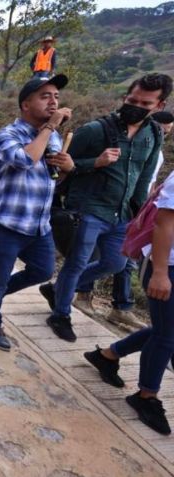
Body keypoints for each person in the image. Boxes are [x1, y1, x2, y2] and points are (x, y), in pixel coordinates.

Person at [40, 73, 170, 342]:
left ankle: (60, 288)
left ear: (159, 106)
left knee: (114, 261)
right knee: (76, 263)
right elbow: (61, 165)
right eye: (132, 100)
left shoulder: (154, 134)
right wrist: (94, 163)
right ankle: (60, 314)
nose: (135, 106)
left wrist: (139, 210)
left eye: (145, 104)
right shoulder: (95, 130)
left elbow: (144, 174)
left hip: (123, 213)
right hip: (89, 208)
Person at [0, 75, 73, 352]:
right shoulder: (9, 135)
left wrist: (68, 167)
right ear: (25, 104)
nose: (53, 102)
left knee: (43, 270)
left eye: (56, 96)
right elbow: (24, 160)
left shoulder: (53, 137)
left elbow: (52, 177)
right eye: (45, 96)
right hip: (8, 222)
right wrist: (49, 128)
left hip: (39, 223)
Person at [82, 167, 174, 435]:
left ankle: (107, 356)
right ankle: (146, 396)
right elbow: (164, 222)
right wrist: (159, 272)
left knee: (165, 331)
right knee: (166, 336)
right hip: (165, 266)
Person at [107, 110, 174, 325]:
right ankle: (116, 304)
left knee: (123, 262)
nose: (167, 133)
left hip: (137, 209)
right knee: (119, 261)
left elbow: (151, 182)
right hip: (130, 209)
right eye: (167, 128)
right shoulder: (141, 145)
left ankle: (121, 306)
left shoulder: (157, 151)